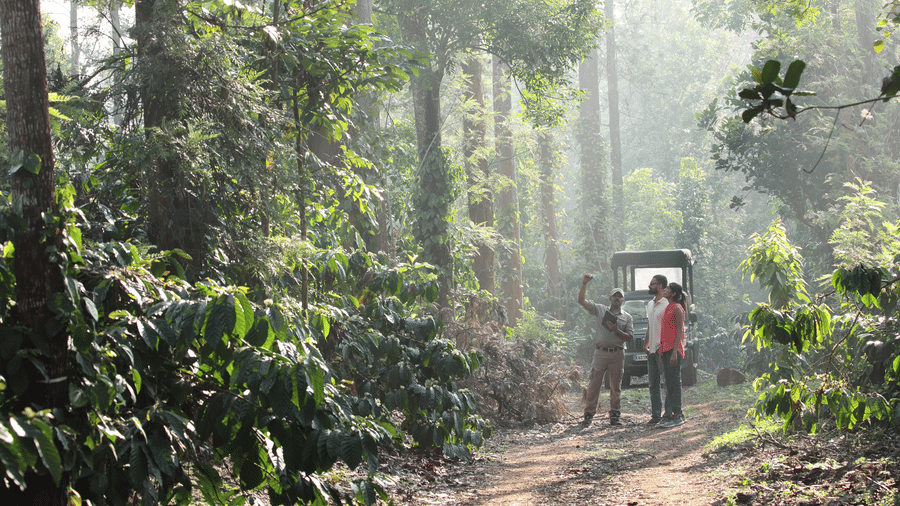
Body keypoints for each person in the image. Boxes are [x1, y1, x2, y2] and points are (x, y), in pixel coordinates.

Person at [578, 274, 634, 427]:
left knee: (615, 386)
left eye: (619, 297)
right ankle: (588, 415)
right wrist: (584, 283)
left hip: (617, 353)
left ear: (623, 300)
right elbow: (581, 301)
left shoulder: (627, 317)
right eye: (614, 296)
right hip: (600, 353)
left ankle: (615, 415)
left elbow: (630, 337)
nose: (617, 299)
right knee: (594, 384)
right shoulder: (601, 310)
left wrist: (617, 331)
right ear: (610, 299)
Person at [659, 282, 687, 428]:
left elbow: (679, 332)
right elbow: (665, 332)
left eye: (668, 289)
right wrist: (661, 352)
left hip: (673, 350)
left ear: (674, 293)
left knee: (675, 383)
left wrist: (675, 352)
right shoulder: (667, 308)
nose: (665, 290)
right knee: (669, 383)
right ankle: (672, 414)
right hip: (666, 350)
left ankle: (678, 414)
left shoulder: (677, 308)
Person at [644, 274, 669, 425]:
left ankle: (669, 413)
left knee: (667, 382)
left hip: (662, 350)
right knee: (653, 384)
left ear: (660, 286)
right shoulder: (650, 304)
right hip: (651, 350)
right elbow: (650, 325)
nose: (649, 286)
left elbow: (668, 328)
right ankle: (656, 415)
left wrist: (663, 346)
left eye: (652, 283)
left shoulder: (666, 305)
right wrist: (646, 343)